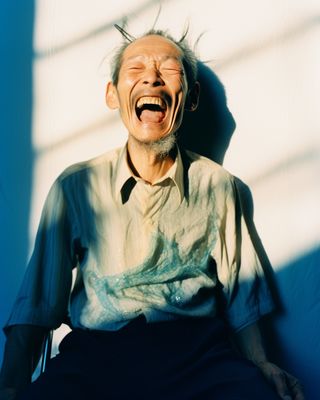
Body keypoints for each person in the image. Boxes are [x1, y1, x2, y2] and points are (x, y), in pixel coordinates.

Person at [0, 28, 304, 400]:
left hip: (197, 357)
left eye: (168, 69)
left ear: (190, 98)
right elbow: (37, 304)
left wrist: (262, 365)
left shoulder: (218, 185)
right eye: (137, 67)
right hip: (96, 358)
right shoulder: (75, 186)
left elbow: (243, 299)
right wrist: (11, 386)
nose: (151, 76)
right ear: (112, 95)